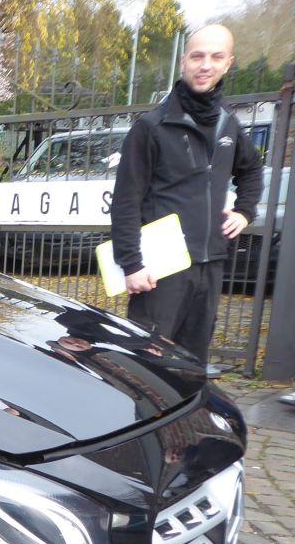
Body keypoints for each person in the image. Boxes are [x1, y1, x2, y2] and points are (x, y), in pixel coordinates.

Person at [111, 24, 264, 365]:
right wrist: (131, 264)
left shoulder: (228, 124)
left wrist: (245, 211)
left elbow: (252, 169)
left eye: (216, 57)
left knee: (192, 365)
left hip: (210, 267)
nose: (205, 65)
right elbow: (125, 201)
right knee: (148, 366)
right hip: (161, 272)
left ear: (228, 63)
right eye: (197, 56)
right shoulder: (152, 126)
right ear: (184, 62)